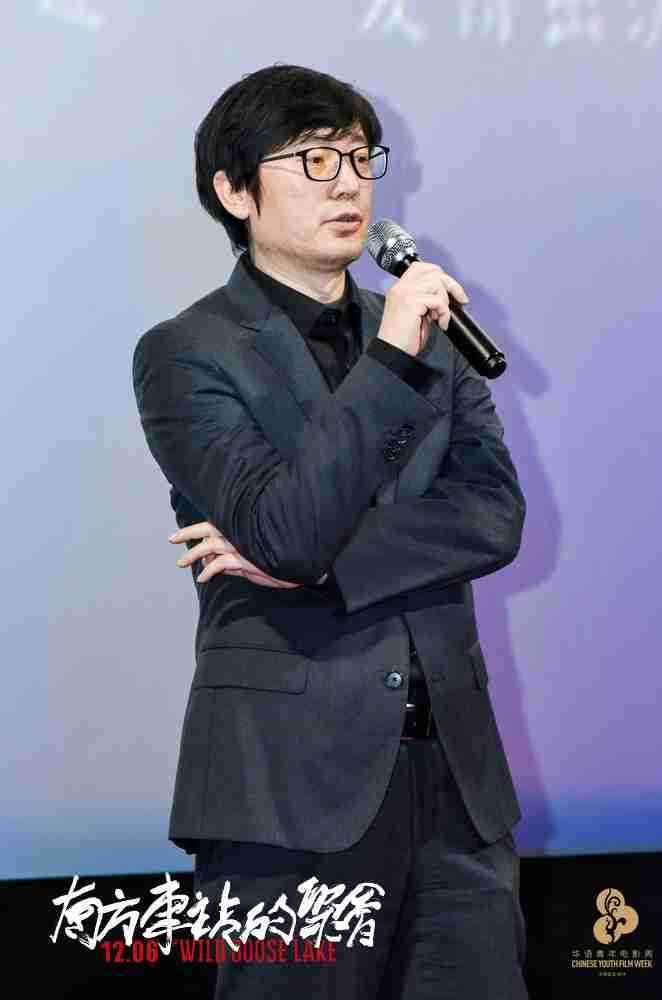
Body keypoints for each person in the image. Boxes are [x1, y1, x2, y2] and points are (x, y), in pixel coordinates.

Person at [132, 63, 529, 999]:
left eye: (358, 156)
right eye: (313, 160)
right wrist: (389, 359)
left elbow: (493, 516)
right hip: (285, 791)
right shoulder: (186, 353)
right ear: (234, 191)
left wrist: (323, 569)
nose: (347, 183)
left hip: (457, 787)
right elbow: (287, 530)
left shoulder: (430, 332)